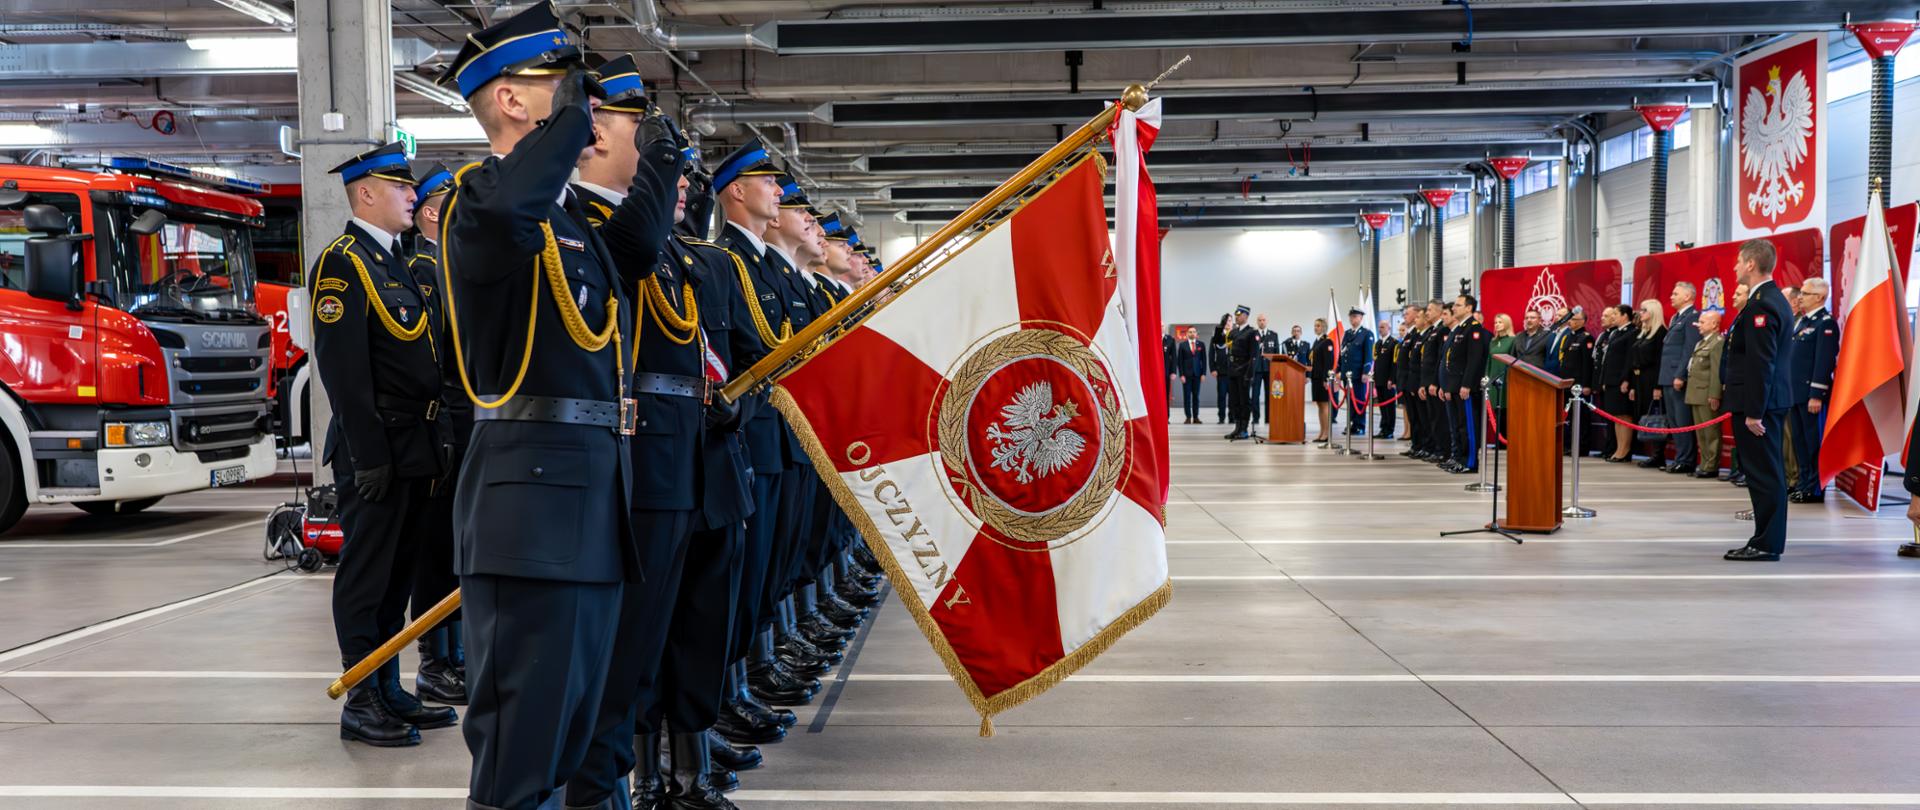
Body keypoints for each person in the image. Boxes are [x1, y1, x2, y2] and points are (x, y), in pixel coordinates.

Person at [437, 6, 677, 804]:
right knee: (521, 759)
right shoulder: (482, 200)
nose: (588, 106)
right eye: (563, 87)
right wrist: (574, 123)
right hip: (532, 515)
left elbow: (637, 252)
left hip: (590, 507)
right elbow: (511, 214)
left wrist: (662, 163)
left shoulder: (570, 220)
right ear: (513, 100)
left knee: (577, 735)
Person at [562, 57, 739, 810]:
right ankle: (612, 788)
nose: (664, 144)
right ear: (599, 131)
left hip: (681, 457)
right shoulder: (590, 227)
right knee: (622, 651)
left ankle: (654, 779)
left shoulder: (658, 243)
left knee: (667, 636)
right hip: (637, 464)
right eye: (643, 125)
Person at [312, 143, 456, 749]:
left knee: (399, 574)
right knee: (367, 576)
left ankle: (388, 684)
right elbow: (344, 373)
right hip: (376, 448)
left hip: (415, 447)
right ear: (365, 192)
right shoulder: (343, 264)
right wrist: (369, 455)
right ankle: (360, 695)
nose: (413, 196)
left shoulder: (396, 262)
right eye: (401, 188)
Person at [401, 162, 467, 708]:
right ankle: (436, 661)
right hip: (446, 422)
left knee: (458, 546)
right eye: (448, 200)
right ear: (429, 212)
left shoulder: (452, 263)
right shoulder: (423, 268)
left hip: (465, 420)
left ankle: (457, 653)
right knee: (437, 549)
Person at [1723, 239, 1794, 561]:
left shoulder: (1762, 304)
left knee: (1764, 473)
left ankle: (1766, 543)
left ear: (1751, 264)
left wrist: (1754, 412)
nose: (1735, 267)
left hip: (1759, 405)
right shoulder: (1766, 299)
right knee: (1764, 472)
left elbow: (1760, 362)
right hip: (1762, 401)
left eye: (1739, 262)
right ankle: (1765, 538)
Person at [1787, 278, 1839, 503]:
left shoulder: (1825, 323)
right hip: (1795, 392)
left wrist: (1816, 394)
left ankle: (1815, 488)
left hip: (1811, 395)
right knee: (1799, 442)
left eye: (1805, 293)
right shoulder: (1802, 321)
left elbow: (1823, 361)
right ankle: (1803, 483)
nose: (1800, 297)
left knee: (1812, 443)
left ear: (1819, 297)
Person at [1658, 282, 1704, 474]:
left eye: (1675, 293)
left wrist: (1680, 375)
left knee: (1682, 419)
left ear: (1687, 296)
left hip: (1677, 376)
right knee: (1674, 420)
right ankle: (1679, 457)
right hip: (1667, 376)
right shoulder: (1678, 317)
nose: (1671, 296)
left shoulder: (1692, 317)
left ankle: (1686, 459)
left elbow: (1689, 349)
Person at [1442, 295, 1491, 473]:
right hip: (1455, 385)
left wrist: (1467, 384)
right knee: (1459, 425)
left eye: (1458, 305)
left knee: (1469, 425)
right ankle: (1461, 459)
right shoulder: (1461, 329)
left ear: (1469, 308)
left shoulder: (1474, 329)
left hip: (1465, 387)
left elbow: (1474, 360)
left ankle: (1470, 462)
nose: (1454, 308)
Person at [1684, 309, 1727, 480]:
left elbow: (1717, 371)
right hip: (1696, 392)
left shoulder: (1717, 342)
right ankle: (1704, 463)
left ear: (1715, 324)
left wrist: (1715, 394)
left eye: (1702, 322)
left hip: (1707, 394)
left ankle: (1711, 465)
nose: (1698, 325)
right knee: (1701, 432)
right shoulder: (1701, 342)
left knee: (1711, 432)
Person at [1629, 299, 1668, 468]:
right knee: (1644, 414)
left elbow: (1661, 361)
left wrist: (1658, 386)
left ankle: (1658, 454)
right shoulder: (1644, 332)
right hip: (1639, 379)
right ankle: (1652, 452)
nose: (1640, 313)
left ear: (1653, 312)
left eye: (1644, 310)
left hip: (1652, 378)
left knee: (1654, 416)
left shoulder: (1660, 333)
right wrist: (1632, 385)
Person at [1598, 305, 1638, 463]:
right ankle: (1618, 449)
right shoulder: (1615, 332)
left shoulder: (1631, 332)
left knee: (1624, 416)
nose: (1612, 316)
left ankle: (1625, 450)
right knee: (1616, 416)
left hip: (1621, 381)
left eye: (1615, 314)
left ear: (1625, 316)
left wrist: (1625, 379)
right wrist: (1604, 380)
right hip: (1611, 380)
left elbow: (1629, 358)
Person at [1556, 310, 1596, 455]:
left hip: (1579, 385)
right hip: (1567, 383)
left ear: (1582, 321)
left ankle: (1582, 447)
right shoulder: (1568, 337)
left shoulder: (1586, 338)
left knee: (1581, 418)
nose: (1570, 322)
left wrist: (1586, 384)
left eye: (1574, 319)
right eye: (1571, 319)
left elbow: (1587, 364)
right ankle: (1571, 446)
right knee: (1570, 417)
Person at [1723, 283, 1752, 487]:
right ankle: (1741, 469)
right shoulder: (1738, 318)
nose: (1733, 296)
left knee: (1749, 437)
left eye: (1738, 293)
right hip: (1734, 383)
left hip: (1745, 385)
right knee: (1740, 435)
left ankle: (1748, 472)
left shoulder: (1749, 318)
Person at [1419, 300, 1452, 464]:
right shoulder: (1433, 330)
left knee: (1439, 418)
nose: (1427, 313)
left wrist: (1434, 382)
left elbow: (1439, 359)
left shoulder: (1443, 330)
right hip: (1428, 381)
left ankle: (1442, 450)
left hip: (1435, 381)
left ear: (1439, 312)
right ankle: (1435, 448)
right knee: (1432, 418)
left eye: (1430, 310)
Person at [1224, 305, 1260, 440]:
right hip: (1233, 370)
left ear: (1245, 316)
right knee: (1234, 400)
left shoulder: (1252, 333)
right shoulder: (1233, 332)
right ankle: (1237, 427)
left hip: (1244, 371)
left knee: (1244, 401)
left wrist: (1249, 375)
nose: (1237, 317)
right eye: (1236, 315)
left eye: (1239, 315)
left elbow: (1254, 356)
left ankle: (1244, 429)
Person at [1339, 308, 1375, 435]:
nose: (1352, 319)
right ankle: (1351, 423)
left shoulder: (1366, 333)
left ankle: (1360, 425)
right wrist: (1339, 370)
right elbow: (1343, 353)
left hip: (1359, 373)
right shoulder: (1348, 333)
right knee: (1350, 400)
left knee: (1358, 400)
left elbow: (1368, 355)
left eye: (1355, 316)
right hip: (1347, 373)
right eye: (1351, 316)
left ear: (1361, 318)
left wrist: (1366, 372)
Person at [1396, 306, 1425, 453]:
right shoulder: (1411, 333)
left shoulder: (1419, 335)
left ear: (1416, 315)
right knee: (1413, 416)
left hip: (1414, 381)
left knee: (1420, 417)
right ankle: (1416, 445)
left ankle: (1421, 446)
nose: (1404, 316)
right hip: (1407, 381)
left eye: (1407, 313)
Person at [1486, 313, 1515, 449]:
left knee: (1505, 411)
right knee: (1495, 411)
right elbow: (1489, 361)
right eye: (1495, 322)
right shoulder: (1493, 341)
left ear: (1507, 324)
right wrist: (1486, 377)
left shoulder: (1512, 340)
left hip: (1506, 380)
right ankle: (1498, 440)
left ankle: (1505, 441)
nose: (1497, 324)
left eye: (1500, 322)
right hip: (1493, 379)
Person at [1308, 318, 1335, 442]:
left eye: (1318, 325)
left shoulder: (1327, 342)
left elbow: (1328, 363)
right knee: (1319, 405)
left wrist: (1326, 379)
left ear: (1324, 327)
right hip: (1316, 377)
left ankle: (1326, 433)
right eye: (1314, 325)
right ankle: (1321, 431)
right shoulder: (1317, 341)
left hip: (1323, 378)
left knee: (1324, 405)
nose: (1315, 327)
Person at [1173, 326, 1208, 424]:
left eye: (1194, 332)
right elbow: (1179, 361)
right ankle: (1188, 417)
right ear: (1187, 334)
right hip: (1186, 375)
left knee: (1196, 396)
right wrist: (1181, 375)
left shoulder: (1201, 344)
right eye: (1190, 332)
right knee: (1187, 396)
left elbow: (1204, 360)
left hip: (1197, 374)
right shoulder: (1182, 345)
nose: (1192, 333)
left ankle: (1196, 417)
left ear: (1196, 333)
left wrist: (1203, 373)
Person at [1373, 319, 1399, 439]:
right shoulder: (1378, 343)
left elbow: (1394, 363)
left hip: (1388, 380)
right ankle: (1383, 428)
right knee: (1382, 406)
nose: (1380, 329)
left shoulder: (1393, 343)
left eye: (1382, 327)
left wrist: (1392, 379)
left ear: (1389, 328)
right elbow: (1376, 362)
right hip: (1379, 379)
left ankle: (1390, 429)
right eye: (1379, 327)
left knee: (1389, 406)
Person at [1252, 314, 1279, 425]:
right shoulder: (1252, 335)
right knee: (1255, 395)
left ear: (1266, 321)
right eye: (1259, 320)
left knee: (1270, 395)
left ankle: (1269, 418)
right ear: (1257, 322)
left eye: (1263, 320)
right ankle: (1256, 417)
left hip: (1269, 369)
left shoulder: (1273, 335)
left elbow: (1277, 352)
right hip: (1256, 369)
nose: (1262, 322)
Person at [1210, 315, 1231, 424]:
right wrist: (1213, 368)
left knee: (1233, 397)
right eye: (1226, 321)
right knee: (1221, 396)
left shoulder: (1236, 334)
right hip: (1221, 371)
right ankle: (1221, 417)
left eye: (1230, 321)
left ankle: (1232, 418)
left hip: (1234, 371)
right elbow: (1211, 353)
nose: (1228, 323)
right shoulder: (1217, 336)